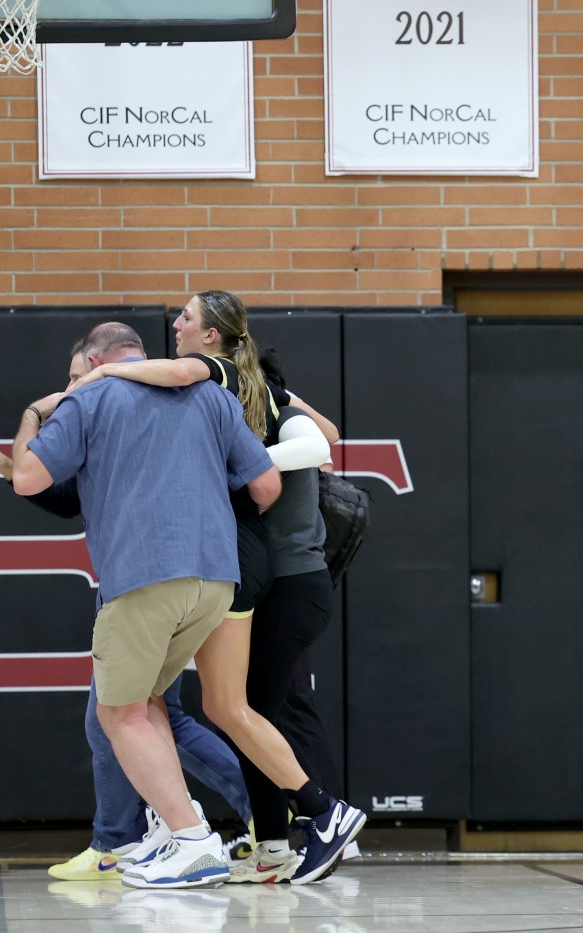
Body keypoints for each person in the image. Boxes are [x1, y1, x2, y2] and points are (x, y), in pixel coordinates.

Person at [73, 292, 364, 884]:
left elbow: (315, 443)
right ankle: (276, 837)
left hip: (254, 566)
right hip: (257, 568)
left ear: (213, 338)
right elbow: (323, 434)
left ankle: (299, 819)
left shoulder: (216, 375)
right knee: (233, 707)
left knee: (213, 706)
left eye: (185, 317)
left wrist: (101, 376)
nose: (174, 324)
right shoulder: (247, 383)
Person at [0, 344, 254, 882]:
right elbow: (262, 481)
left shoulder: (92, 397)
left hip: (144, 576)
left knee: (121, 716)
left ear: (99, 364)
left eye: (75, 374)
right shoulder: (210, 396)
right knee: (143, 707)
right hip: (216, 577)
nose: (69, 386)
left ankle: (192, 838)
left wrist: (33, 413)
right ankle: (161, 834)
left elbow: (32, 476)